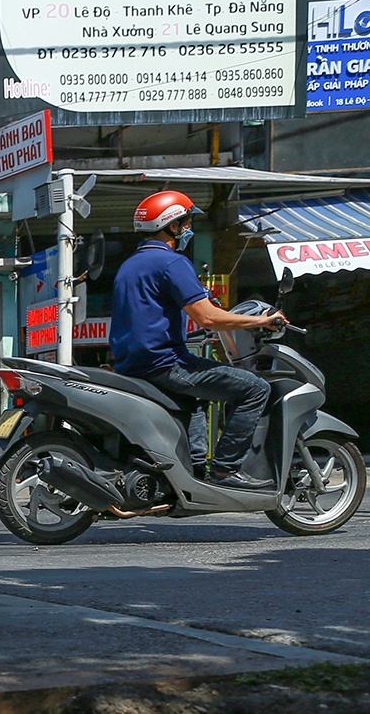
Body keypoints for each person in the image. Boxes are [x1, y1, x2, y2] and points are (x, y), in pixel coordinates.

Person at [109, 190, 286, 491]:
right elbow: (208, 317)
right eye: (186, 222)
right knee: (256, 389)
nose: (189, 228)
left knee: (195, 399)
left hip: (133, 364)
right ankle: (225, 470)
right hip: (165, 363)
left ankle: (195, 469)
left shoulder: (130, 265)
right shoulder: (171, 263)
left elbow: (148, 315)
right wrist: (261, 320)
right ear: (172, 226)